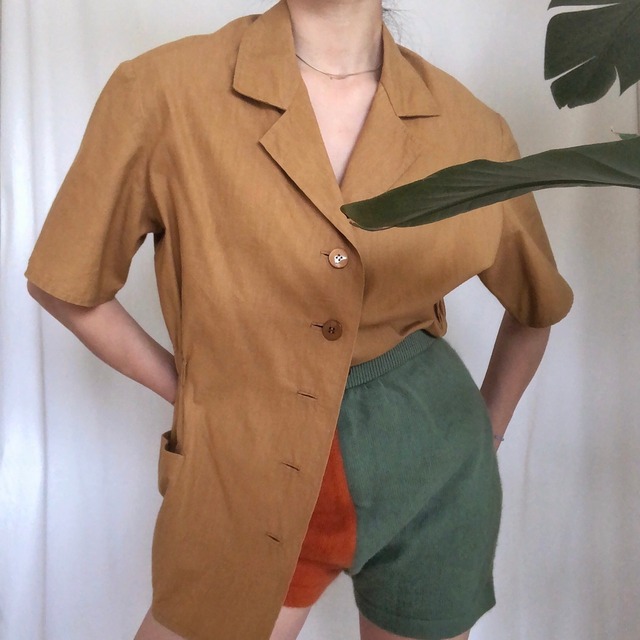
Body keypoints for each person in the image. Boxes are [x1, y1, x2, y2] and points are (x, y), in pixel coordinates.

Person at [24, 0, 573, 639]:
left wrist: (485, 435)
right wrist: (194, 396)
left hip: (437, 472)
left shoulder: (470, 126)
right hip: (245, 469)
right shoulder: (163, 91)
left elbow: (535, 309)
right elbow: (68, 285)